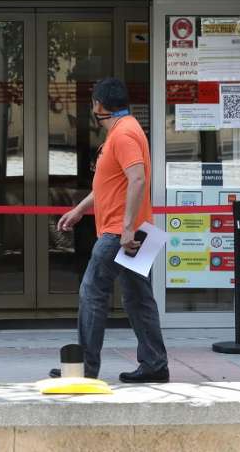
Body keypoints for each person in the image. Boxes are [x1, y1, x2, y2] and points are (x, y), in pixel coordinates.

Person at [52, 77, 169, 383]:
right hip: (136, 231)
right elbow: (110, 184)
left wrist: (127, 228)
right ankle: (155, 364)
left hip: (121, 234)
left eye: (93, 103)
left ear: (98, 105)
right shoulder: (125, 130)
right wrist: (80, 209)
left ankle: (84, 369)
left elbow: (137, 178)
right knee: (138, 299)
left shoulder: (124, 134)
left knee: (92, 292)